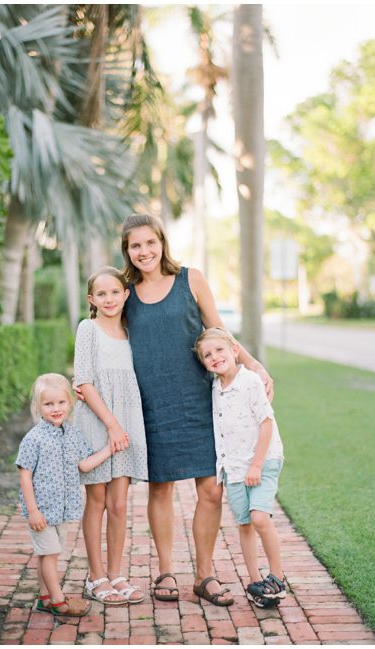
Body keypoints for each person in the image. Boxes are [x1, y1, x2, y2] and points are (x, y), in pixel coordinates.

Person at [117, 213, 272, 607]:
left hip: (199, 401)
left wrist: (252, 364)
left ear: (162, 242)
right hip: (150, 403)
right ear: (127, 251)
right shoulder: (124, 292)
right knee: (161, 488)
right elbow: (108, 340)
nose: (144, 251)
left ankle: (205, 575)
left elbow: (218, 331)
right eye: (135, 246)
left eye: (150, 243)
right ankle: (165, 570)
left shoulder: (191, 279)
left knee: (211, 490)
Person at [194, 328, 287, 608]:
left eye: (219, 350)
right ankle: (255, 581)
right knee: (244, 523)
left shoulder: (249, 381)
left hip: (261, 461)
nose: (214, 357)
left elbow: (266, 423)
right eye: (207, 355)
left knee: (260, 518)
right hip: (233, 469)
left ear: (235, 350)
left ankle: (278, 576)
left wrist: (256, 464)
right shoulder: (215, 388)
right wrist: (223, 468)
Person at [72, 267, 148, 606]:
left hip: (128, 420)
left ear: (126, 294)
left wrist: (123, 426)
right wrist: (112, 426)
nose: (109, 299)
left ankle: (117, 574)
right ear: (91, 299)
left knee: (119, 503)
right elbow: (84, 382)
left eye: (115, 292)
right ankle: (96, 576)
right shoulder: (88, 329)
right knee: (98, 500)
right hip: (97, 420)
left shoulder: (133, 331)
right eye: (101, 294)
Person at [16, 373, 113, 619]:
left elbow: (85, 464)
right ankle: (59, 601)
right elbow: (25, 475)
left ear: (70, 403)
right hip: (42, 511)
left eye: (60, 402)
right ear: (38, 407)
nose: (56, 408)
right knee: (50, 555)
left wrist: (109, 449)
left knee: (48, 554)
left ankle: (44, 598)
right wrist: (33, 510)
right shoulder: (34, 438)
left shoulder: (72, 434)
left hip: (62, 510)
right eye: (48, 404)